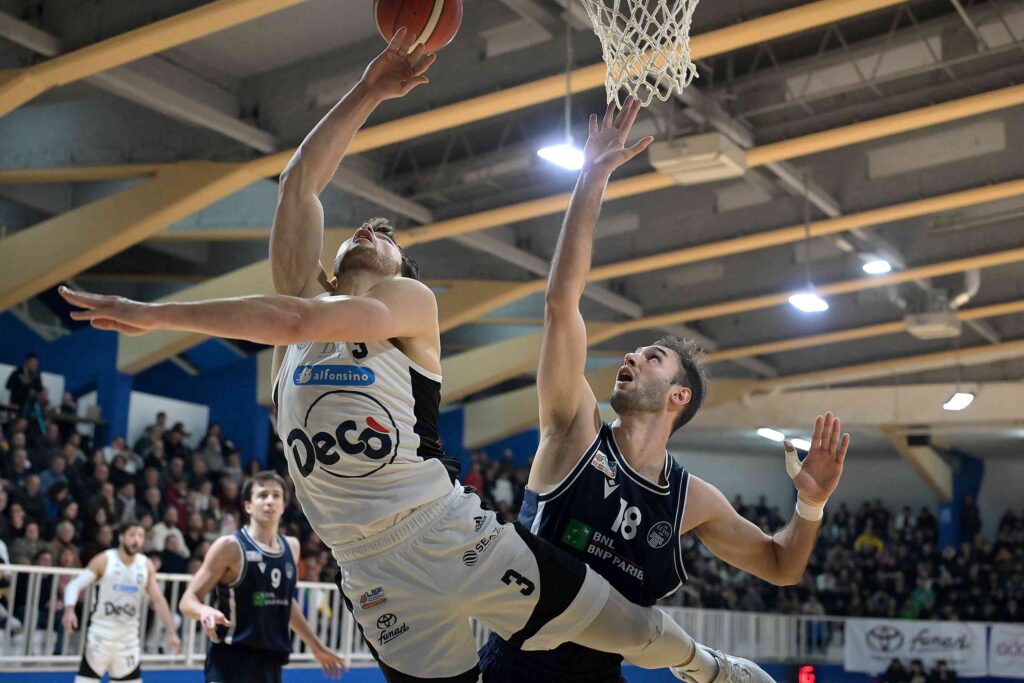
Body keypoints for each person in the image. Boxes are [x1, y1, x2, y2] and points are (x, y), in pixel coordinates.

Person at [60, 31, 784, 683]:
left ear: (401, 264)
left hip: (446, 533)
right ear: (334, 258)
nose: (372, 225)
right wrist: (370, 87)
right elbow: (298, 185)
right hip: (368, 569)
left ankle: (709, 667)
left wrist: (153, 313)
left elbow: (290, 315)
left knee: (633, 628)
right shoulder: (301, 304)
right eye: (363, 228)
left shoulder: (409, 304)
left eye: (389, 234)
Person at [477, 100, 851, 682]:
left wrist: (811, 505)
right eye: (633, 352)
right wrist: (591, 178)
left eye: (652, 358)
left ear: (679, 398)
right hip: (513, 671)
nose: (630, 356)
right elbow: (561, 304)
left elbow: (781, 565)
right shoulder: (574, 431)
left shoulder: (690, 500)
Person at [178, 471, 345, 682]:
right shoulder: (230, 546)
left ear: (284, 506)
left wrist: (317, 647)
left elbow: (285, 602)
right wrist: (204, 611)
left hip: (271, 660)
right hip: (231, 658)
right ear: (248, 505)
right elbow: (187, 600)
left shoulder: (292, 548)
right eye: (263, 495)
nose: (270, 501)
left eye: (276, 495)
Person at [62, 521, 181, 683]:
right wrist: (69, 611)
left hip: (128, 641)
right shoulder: (104, 560)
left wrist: (171, 632)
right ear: (121, 537)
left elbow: (158, 600)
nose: (136, 540)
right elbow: (74, 585)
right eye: (132, 535)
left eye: (140, 536)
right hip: (100, 637)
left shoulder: (145, 565)